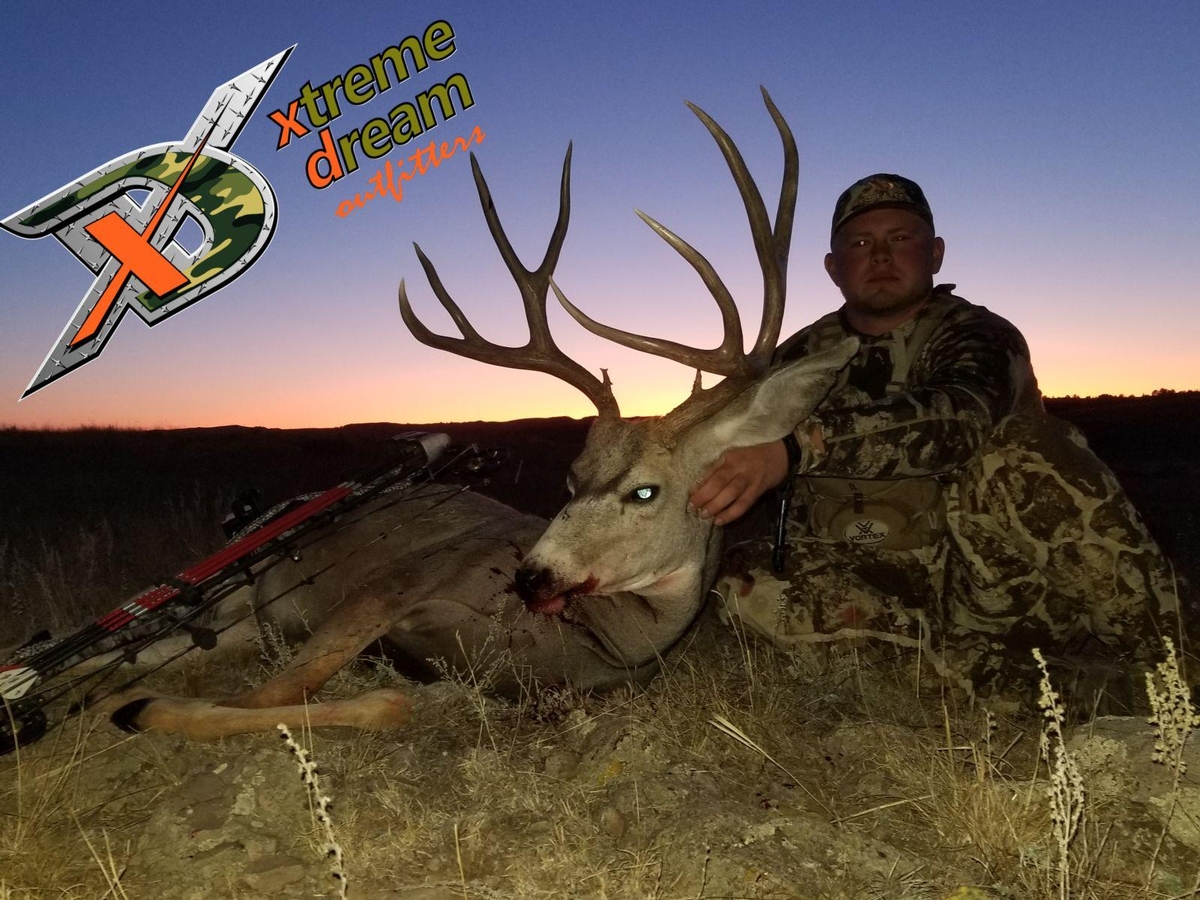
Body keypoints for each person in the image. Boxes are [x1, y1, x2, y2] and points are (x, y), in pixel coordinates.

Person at [689, 173, 1181, 699]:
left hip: (994, 580)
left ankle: (1173, 663)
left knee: (1022, 451)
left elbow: (959, 418)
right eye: (860, 243)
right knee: (741, 583)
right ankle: (1030, 687)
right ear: (833, 267)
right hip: (868, 582)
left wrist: (794, 449)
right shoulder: (794, 357)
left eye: (900, 238)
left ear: (936, 254)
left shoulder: (979, 335)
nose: (881, 255)